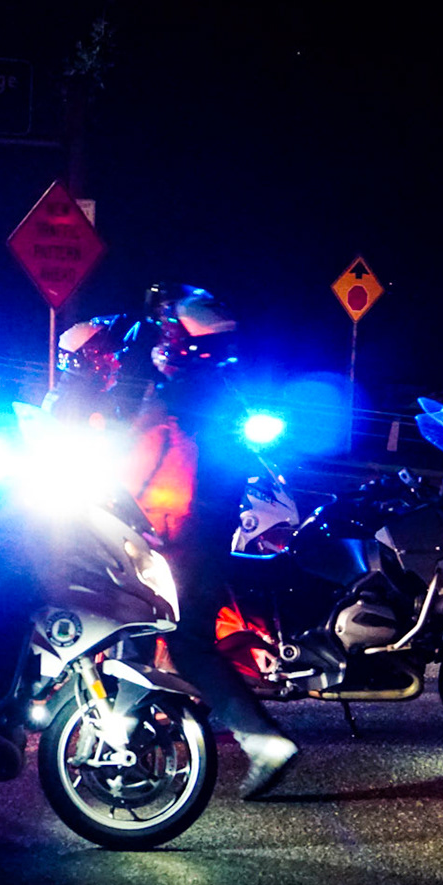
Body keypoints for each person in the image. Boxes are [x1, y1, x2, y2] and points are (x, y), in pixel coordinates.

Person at [120, 285, 301, 799]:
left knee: (161, 635)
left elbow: (149, 470)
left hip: (174, 542)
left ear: (183, 345)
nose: (161, 346)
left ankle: (256, 739)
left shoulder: (176, 399)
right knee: (169, 638)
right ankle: (139, 739)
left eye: (168, 337)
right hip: (206, 539)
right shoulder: (223, 395)